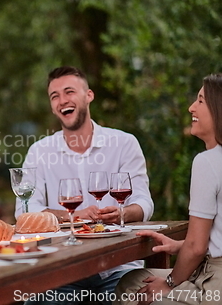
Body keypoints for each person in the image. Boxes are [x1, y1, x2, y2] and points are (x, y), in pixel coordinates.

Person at [17, 66, 154, 305]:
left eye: (69, 91)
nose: (62, 100)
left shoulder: (123, 143)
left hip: (118, 268)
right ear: (51, 106)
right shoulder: (39, 152)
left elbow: (143, 203)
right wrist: (73, 216)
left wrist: (122, 213)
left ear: (88, 95)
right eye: (55, 96)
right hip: (63, 271)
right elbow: (24, 211)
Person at [114, 73, 222, 305]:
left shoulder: (208, 162)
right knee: (134, 280)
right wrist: (179, 246)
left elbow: (196, 247)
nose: (191, 108)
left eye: (201, 101)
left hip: (215, 284)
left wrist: (170, 283)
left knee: (137, 290)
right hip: (211, 268)